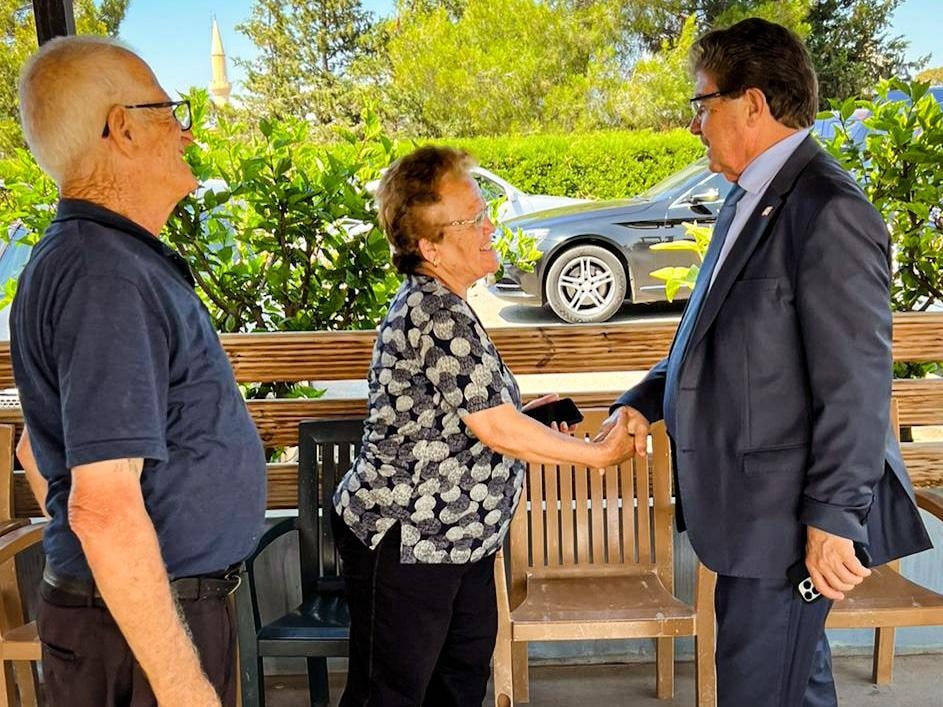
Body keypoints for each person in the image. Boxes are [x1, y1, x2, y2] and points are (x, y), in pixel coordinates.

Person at [598, 18, 932, 706]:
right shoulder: (750, 198)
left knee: (760, 691)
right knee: (790, 684)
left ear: (751, 103)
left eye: (702, 103)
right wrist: (642, 400)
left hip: (785, 520)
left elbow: (855, 386)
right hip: (750, 515)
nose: (693, 124)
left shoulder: (827, 209)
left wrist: (833, 519)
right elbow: (708, 337)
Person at [12, 36, 266, 706]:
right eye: (170, 111)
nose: (186, 133)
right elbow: (101, 506)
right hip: (138, 634)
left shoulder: (100, 258)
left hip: (136, 615)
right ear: (121, 128)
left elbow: (38, 451)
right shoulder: (105, 275)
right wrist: (181, 685)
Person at [332, 145, 636, 706]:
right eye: (472, 220)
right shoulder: (434, 312)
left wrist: (525, 417)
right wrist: (598, 455)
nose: (489, 226)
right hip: (409, 541)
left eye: (484, 212)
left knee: (458, 684)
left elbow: (465, 418)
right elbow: (495, 429)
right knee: (391, 695)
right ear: (429, 247)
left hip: (458, 540)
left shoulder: (448, 303)